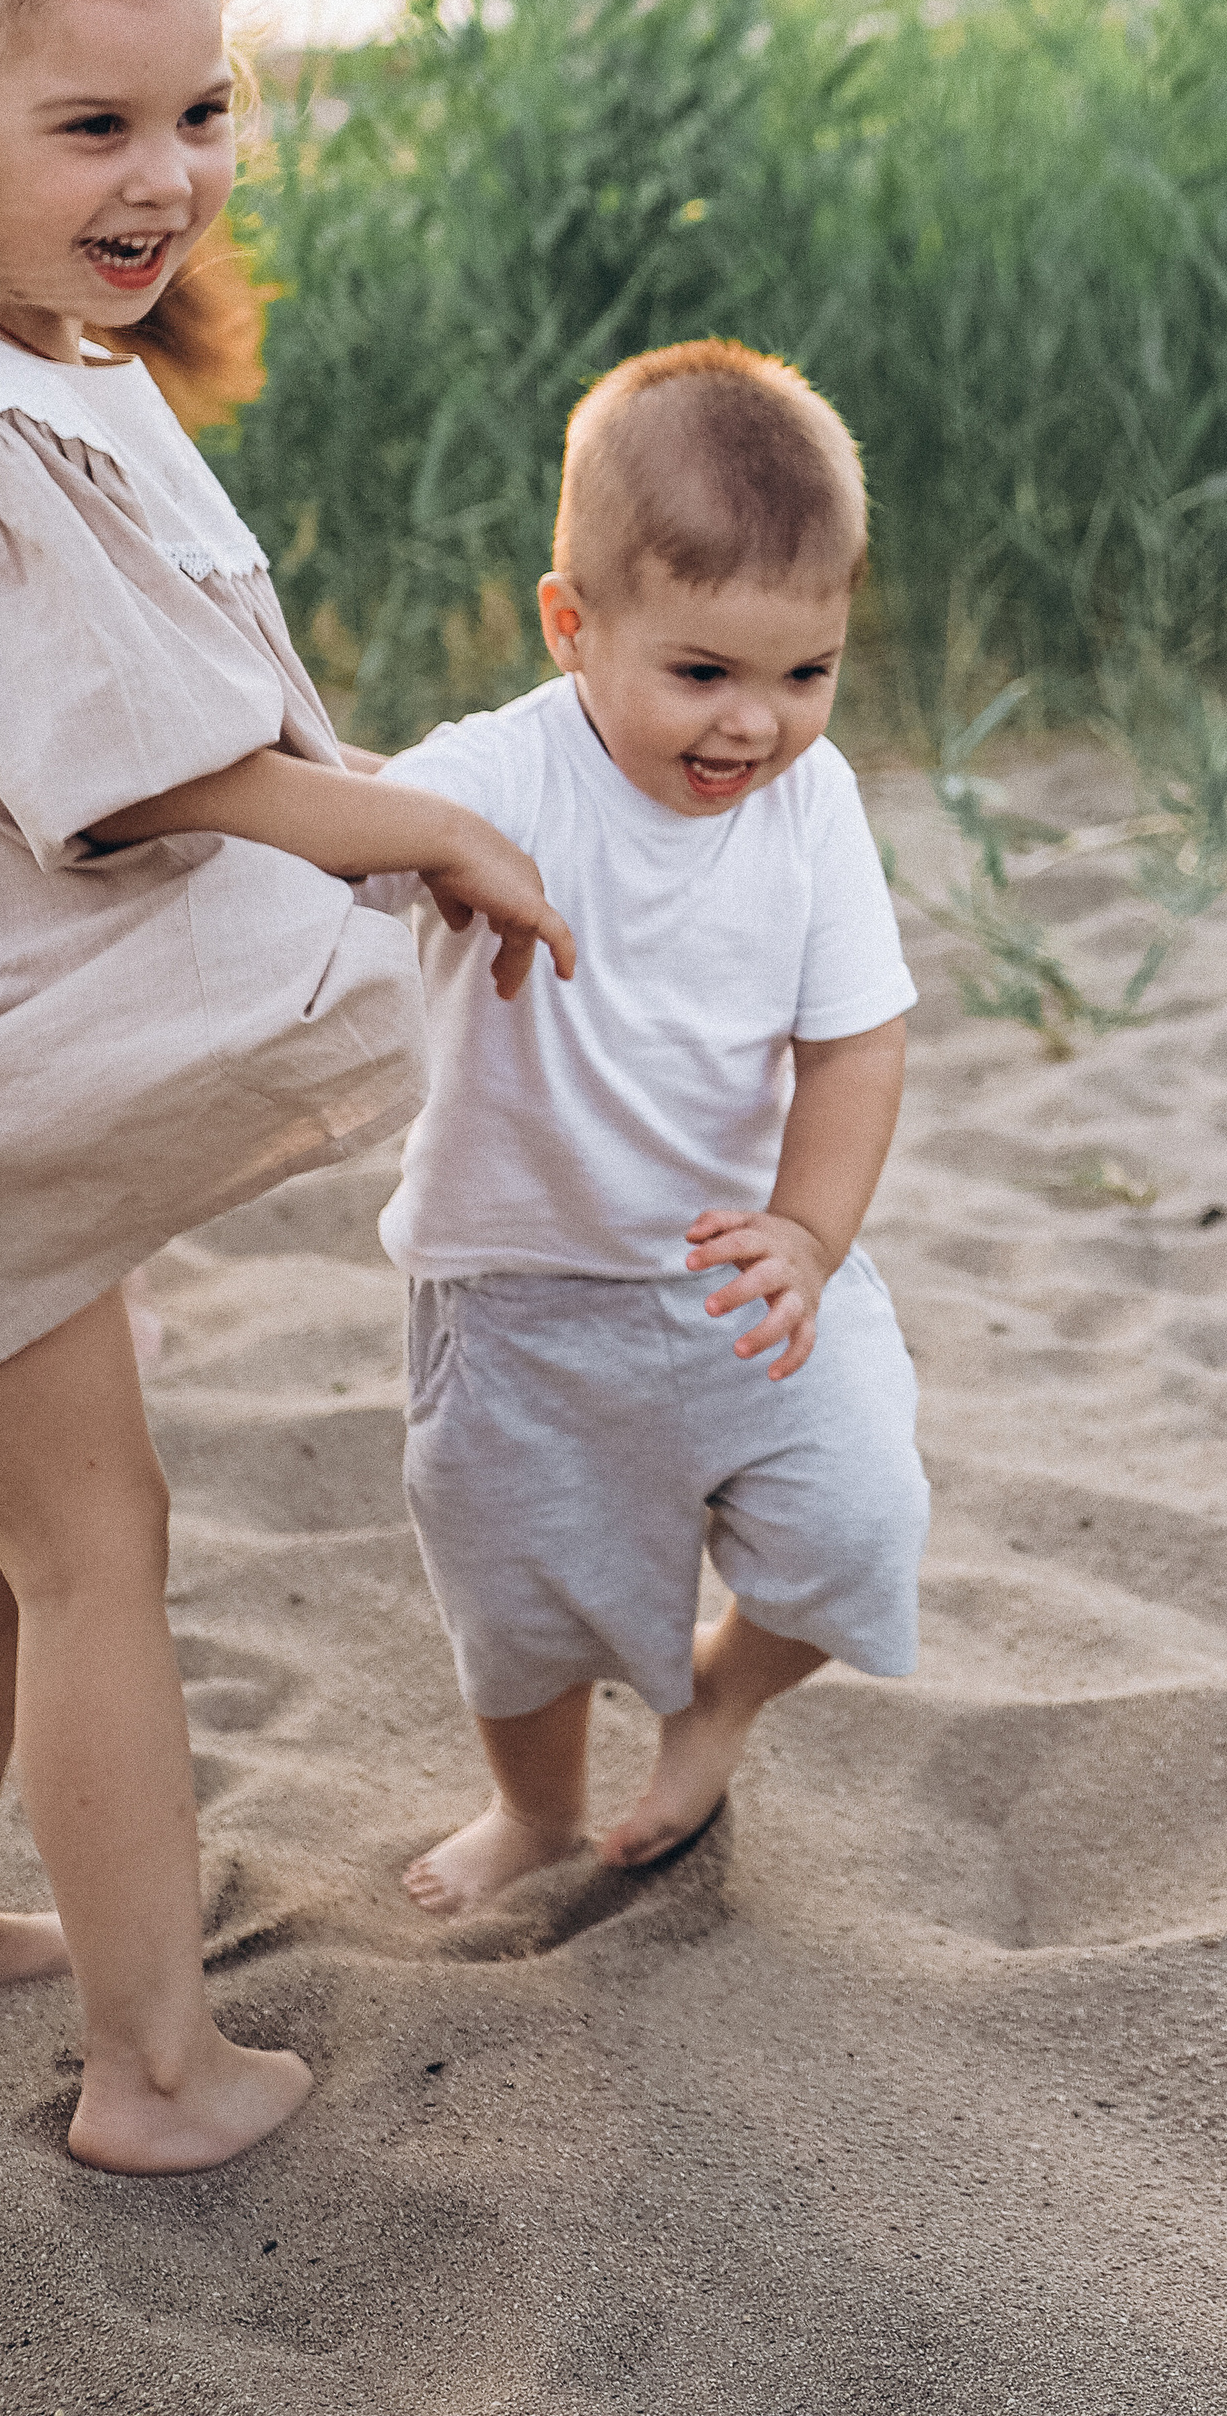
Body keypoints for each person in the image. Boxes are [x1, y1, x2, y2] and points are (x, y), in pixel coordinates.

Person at [0, 0, 576, 2173]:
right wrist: (399, 816)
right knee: (95, 1546)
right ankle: (154, 2067)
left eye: (200, 110)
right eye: (87, 121)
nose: (162, 175)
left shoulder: (7, 372)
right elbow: (147, 762)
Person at [374, 339, 926, 1920]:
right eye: (704, 673)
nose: (756, 724)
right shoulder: (494, 775)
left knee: (858, 1524)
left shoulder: (812, 806)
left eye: (805, 673)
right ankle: (533, 1812)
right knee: (526, 1606)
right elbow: (341, 846)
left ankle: (722, 1692)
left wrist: (811, 1233)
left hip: (754, 1272)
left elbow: (856, 1042)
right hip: (521, 1296)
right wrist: (397, 832)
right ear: (574, 624)